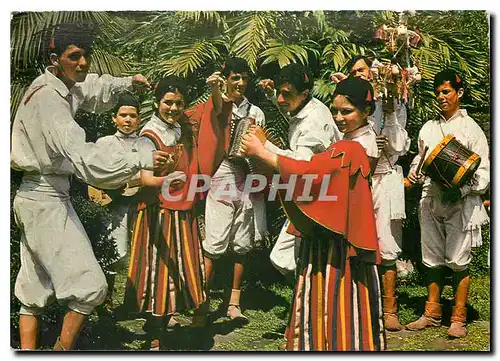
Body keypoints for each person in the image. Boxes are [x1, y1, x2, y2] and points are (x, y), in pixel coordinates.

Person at [10, 23, 169, 351]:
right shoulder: (50, 102)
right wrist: (143, 158)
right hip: (44, 199)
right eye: (75, 56)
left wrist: (127, 82)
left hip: (36, 197)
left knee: (33, 290)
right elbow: (85, 159)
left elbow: (89, 87)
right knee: (91, 286)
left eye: (86, 56)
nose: (83, 63)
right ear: (56, 58)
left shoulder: (54, 84)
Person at [240, 117, 386, 350]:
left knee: (334, 296)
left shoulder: (353, 147)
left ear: (365, 111)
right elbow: (310, 165)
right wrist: (266, 147)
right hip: (342, 233)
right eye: (336, 111)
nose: (338, 117)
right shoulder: (347, 143)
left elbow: (311, 173)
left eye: (346, 111)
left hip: (337, 237)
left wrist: (263, 152)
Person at [123, 75, 220, 350]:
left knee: (181, 270)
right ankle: (154, 333)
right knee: (160, 271)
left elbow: (215, 112)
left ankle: (163, 325)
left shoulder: (181, 129)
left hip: (182, 210)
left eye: (179, 103)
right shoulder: (149, 136)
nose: (174, 108)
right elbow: (144, 178)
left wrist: (214, 87)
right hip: (159, 213)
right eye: (168, 103)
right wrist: (164, 181)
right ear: (156, 103)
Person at [405, 69, 489, 338]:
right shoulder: (429, 127)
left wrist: (463, 191)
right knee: (431, 257)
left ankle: (458, 317)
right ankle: (431, 314)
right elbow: (421, 158)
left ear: (459, 93)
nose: (441, 97)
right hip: (430, 197)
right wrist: (414, 172)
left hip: (459, 202)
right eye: (438, 92)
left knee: (458, 259)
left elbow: (484, 172)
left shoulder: (471, 129)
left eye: (447, 92)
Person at [332, 55, 411, 330]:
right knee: (359, 242)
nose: (359, 74)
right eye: (353, 71)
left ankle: (390, 309)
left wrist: (389, 112)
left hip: (384, 181)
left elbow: (400, 146)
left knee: (386, 244)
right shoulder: (349, 106)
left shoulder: (390, 101)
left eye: (362, 69)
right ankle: (363, 304)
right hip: (360, 184)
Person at [257, 63, 342, 278]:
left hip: (322, 198)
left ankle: (309, 298)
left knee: (289, 258)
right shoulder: (307, 106)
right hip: (311, 193)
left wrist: (263, 145)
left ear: (304, 94)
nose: (280, 100)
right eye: (278, 92)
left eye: (286, 94)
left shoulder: (314, 121)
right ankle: (306, 298)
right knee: (289, 258)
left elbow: (301, 165)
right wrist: (271, 96)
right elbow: (292, 114)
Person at [201, 58, 266, 322]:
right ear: (225, 79)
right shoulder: (217, 106)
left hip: (247, 172)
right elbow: (214, 116)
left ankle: (234, 302)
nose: (240, 83)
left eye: (244, 78)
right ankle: (201, 302)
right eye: (235, 78)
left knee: (242, 240)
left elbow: (261, 145)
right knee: (215, 241)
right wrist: (215, 89)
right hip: (223, 171)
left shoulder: (256, 111)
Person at [94, 92, 143, 308]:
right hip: (113, 204)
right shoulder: (104, 143)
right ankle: (106, 301)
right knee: (113, 250)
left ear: (139, 119)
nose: (128, 120)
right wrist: (109, 188)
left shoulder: (146, 144)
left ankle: (134, 303)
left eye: (132, 116)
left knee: (140, 252)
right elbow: (92, 172)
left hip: (140, 202)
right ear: (114, 118)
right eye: (123, 115)